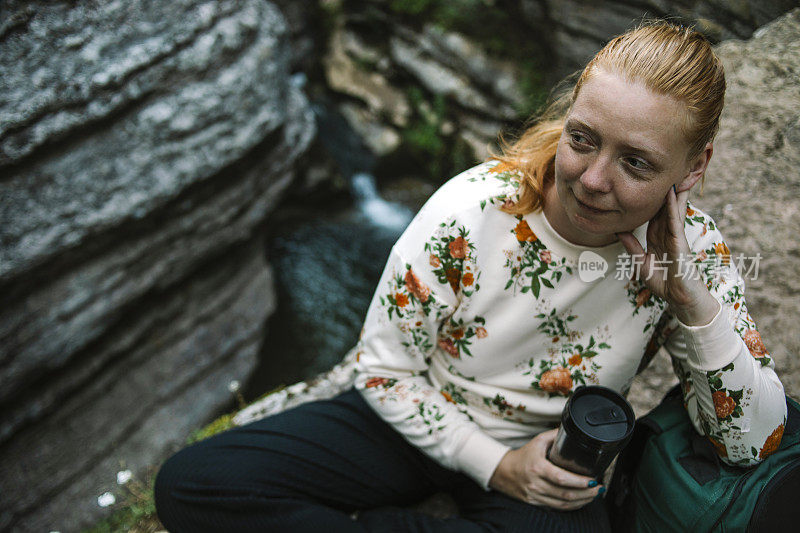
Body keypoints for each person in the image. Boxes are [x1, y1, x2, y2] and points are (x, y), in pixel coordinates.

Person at [154, 20, 787, 532]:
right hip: (421, 412)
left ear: (694, 167)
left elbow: (747, 444)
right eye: (583, 139)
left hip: (555, 454)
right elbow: (383, 369)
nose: (594, 180)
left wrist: (690, 304)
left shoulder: (692, 253)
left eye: (637, 163)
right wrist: (495, 465)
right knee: (197, 484)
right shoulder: (474, 210)